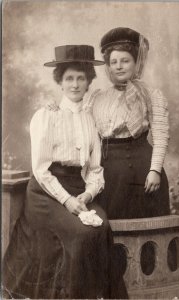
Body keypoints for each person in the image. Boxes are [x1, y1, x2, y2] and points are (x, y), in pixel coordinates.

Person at [3, 45, 113, 299]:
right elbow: (40, 170)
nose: (75, 84)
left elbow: (95, 168)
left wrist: (87, 194)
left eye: (81, 78)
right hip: (45, 193)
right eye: (69, 78)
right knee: (81, 233)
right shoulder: (46, 116)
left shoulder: (89, 118)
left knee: (103, 226)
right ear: (60, 82)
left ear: (88, 82)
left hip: (79, 189)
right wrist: (67, 200)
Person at [47, 27, 170, 220]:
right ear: (108, 66)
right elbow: (77, 117)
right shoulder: (97, 97)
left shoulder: (151, 95)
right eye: (113, 62)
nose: (119, 66)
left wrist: (155, 170)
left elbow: (161, 137)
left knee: (148, 227)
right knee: (110, 228)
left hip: (144, 171)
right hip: (109, 174)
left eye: (125, 61)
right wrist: (56, 110)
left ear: (136, 62)